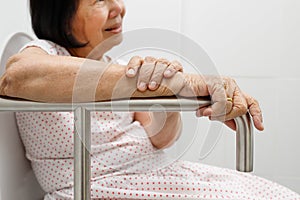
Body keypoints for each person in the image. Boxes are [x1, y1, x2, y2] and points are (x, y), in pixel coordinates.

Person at [0, 0, 299, 199]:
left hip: (152, 173)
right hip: (103, 187)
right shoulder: (44, 52)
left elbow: (159, 139)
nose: (119, 7)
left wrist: (165, 95)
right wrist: (175, 83)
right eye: (98, 0)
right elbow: (17, 75)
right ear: (61, 17)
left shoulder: (109, 63)